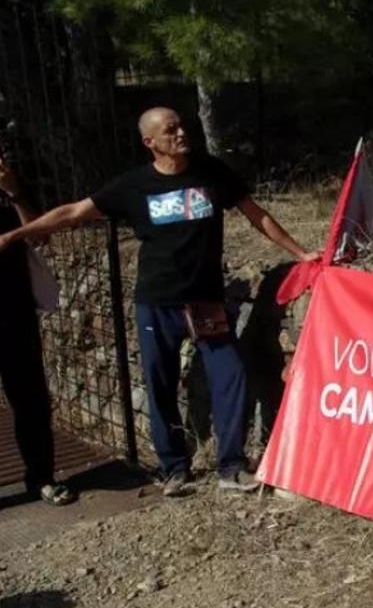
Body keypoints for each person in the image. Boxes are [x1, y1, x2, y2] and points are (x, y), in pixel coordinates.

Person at [0, 108, 319, 498]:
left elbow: (257, 215)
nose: (182, 133)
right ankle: (174, 470)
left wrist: (300, 252)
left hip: (205, 303)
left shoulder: (211, 172)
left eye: (182, 126)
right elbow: (73, 213)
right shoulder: (133, 186)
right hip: (156, 303)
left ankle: (232, 467)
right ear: (150, 141)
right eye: (171, 130)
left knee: (231, 374)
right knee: (161, 386)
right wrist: (16, 235)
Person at [0, 157, 76, 506]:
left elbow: (41, 234)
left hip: (13, 312)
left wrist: (14, 192)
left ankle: (42, 477)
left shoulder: (9, 191)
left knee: (30, 398)